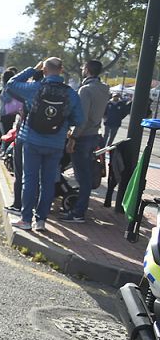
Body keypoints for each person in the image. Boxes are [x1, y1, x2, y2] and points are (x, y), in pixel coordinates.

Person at [5, 58, 84, 231]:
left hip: (32, 140)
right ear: (61, 70)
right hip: (56, 143)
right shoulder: (70, 93)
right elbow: (79, 119)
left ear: (45, 70)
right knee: (48, 182)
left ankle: (26, 219)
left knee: (29, 180)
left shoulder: (36, 88)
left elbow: (11, 84)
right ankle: (41, 220)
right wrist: (62, 122)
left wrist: (33, 69)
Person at [61, 59, 110, 223]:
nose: (82, 69)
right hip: (94, 134)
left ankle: (78, 212)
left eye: (83, 67)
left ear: (88, 70)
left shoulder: (86, 90)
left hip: (82, 137)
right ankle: (79, 209)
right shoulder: (104, 89)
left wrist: (72, 138)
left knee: (83, 177)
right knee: (86, 175)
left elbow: (81, 118)